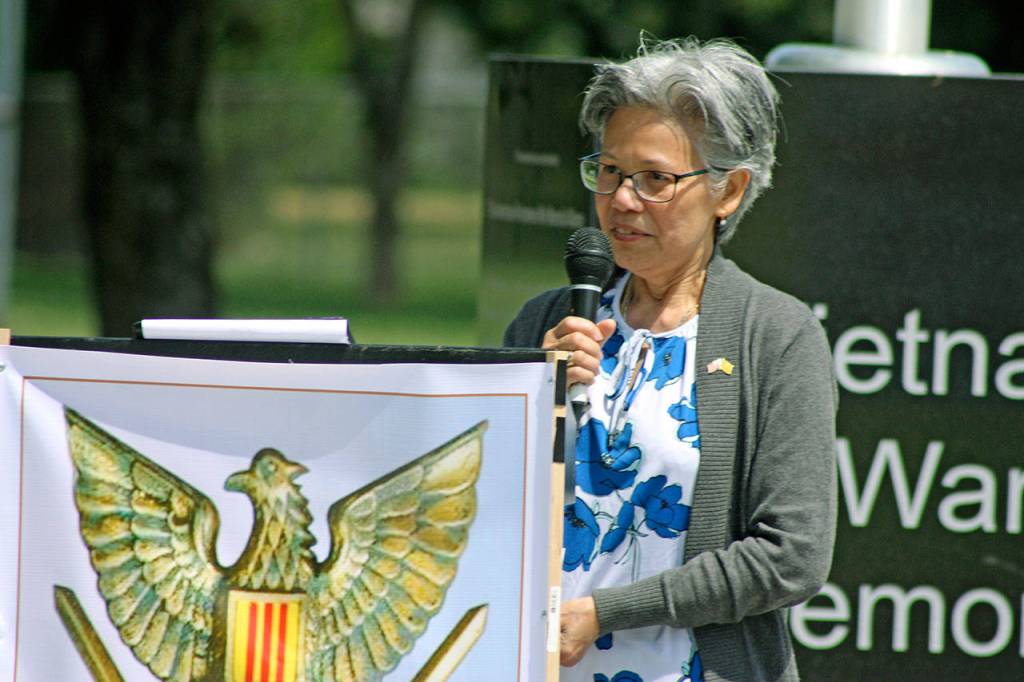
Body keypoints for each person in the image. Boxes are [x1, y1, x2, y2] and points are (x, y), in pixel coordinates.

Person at [504, 37, 838, 682]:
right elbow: (477, 501)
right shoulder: (545, 321)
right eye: (608, 171)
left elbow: (791, 556)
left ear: (728, 191)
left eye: (655, 179)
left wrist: (608, 613)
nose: (622, 199)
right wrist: (525, 398)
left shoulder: (777, 336)